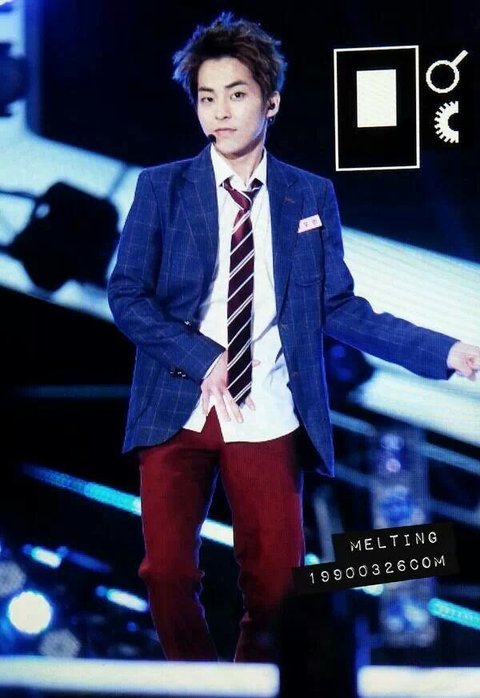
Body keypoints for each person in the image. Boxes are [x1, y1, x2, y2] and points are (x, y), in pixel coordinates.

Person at [107, 12, 480, 663]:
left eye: (236, 94)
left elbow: (340, 307)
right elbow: (126, 295)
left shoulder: (308, 196)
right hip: (178, 407)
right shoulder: (161, 187)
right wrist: (202, 356)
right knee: (166, 574)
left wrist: (444, 351)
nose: (220, 111)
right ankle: (197, 686)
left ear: (271, 102)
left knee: (278, 589)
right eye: (207, 97)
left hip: (269, 411)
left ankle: (255, 687)